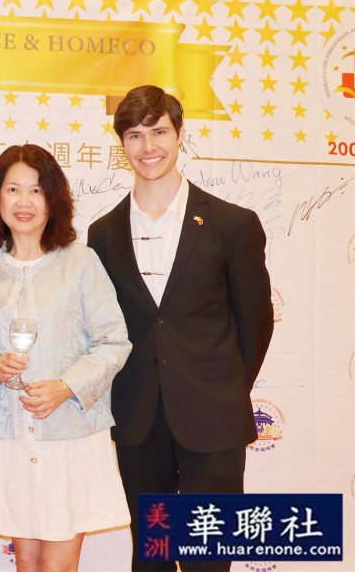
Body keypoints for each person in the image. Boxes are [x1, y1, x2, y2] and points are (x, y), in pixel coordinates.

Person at [87, 85, 274, 571]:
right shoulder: (102, 234)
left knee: (208, 558)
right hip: (138, 418)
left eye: (158, 132)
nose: (148, 146)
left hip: (213, 418)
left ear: (180, 134)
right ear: (122, 144)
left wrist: (222, 388)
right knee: (152, 554)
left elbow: (255, 324)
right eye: (134, 135)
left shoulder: (232, 224)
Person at [0, 144, 132, 571]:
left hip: (71, 435)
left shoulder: (80, 263)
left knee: (57, 566)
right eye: (13, 189)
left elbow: (114, 341)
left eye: (37, 190)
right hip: (13, 434)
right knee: (27, 565)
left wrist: (67, 386)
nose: (24, 202)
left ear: (53, 199)